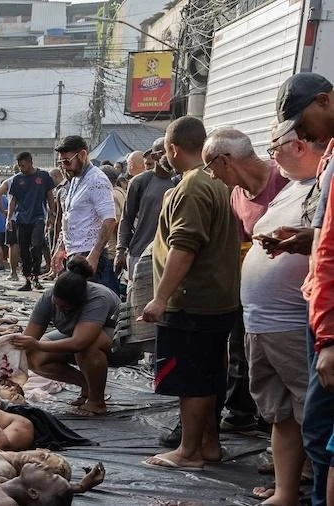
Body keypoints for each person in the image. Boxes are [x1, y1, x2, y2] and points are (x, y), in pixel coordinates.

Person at [140, 116, 241, 472]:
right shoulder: (215, 182)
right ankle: (208, 445)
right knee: (210, 375)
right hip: (217, 300)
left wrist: (160, 298)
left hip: (192, 302)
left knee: (193, 381)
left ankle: (188, 452)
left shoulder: (193, 187)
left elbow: (185, 246)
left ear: (173, 148)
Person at [225, 124, 318, 505]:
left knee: (309, 412)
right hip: (262, 322)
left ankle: (310, 485)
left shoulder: (321, 185)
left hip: (293, 322)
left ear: (297, 145)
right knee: (280, 414)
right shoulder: (290, 187)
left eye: (274, 147)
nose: (270, 156)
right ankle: (285, 491)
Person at [203, 127, 292, 434]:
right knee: (249, 361)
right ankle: (252, 418)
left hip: (292, 306)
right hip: (254, 299)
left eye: (210, 166)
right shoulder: (237, 196)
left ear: (225, 160)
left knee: (293, 378)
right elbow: (243, 244)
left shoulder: (287, 179)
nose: (211, 176)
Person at [273, 71, 334, 506]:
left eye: (303, 120)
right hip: (320, 315)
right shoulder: (330, 153)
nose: (302, 134)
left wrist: (330, 338)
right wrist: (304, 238)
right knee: (320, 434)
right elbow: (326, 238)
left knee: (321, 435)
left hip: (328, 324)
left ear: (325, 102)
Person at [10, 257, 118, 417]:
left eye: (66, 308)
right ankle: (86, 385)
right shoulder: (48, 297)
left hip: (117, 343)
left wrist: (37, 344)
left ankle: (97, 401)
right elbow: (29, 340)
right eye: (57, 304)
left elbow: (79, 343)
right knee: (33, 356)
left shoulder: (97, 298)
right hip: (76, 337)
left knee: (89, 346)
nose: (60, 309)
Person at [52, 136, 118, 294]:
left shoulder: (97, 180)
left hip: (89, 254)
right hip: (74, 253)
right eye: (61, 163)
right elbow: (70, 218)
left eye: (67, 162)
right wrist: (61, 248)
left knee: (89, 308)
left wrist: (94, 255)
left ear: (82, 155)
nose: (64, 168)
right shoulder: (75, 180)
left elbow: (109, 221)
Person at [115, 137, 175, 278]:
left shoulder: (179, 181)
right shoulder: (140, 181)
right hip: (140, 253)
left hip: (169, 254)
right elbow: (126, 218)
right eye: (165, 152)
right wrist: (120, 250)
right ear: (155, 156)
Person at [0, 152, 56, 291]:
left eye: (23, 165)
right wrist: (8, 218)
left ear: (30, 162)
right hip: (21, 218)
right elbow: (13, 200)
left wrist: (52, 215)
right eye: (19, 165)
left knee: (36, 246)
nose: (21, 168)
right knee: (23, 250)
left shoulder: (43, 176)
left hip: (38, 217)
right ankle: (27, 279)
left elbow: (50, 196)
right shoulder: (17, 179)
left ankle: (36, 276)